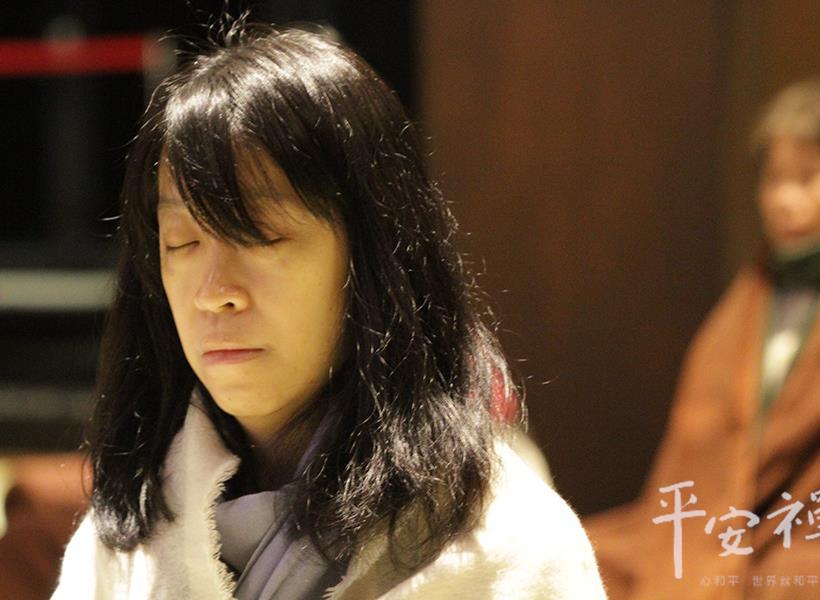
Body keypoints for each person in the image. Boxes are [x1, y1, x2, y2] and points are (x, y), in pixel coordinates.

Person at [51, 20, 606, 600]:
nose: (213, 291)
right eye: (181, 243)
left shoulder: (505, 545)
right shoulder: (132, 530)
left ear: (374, 256)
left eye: (262, 234)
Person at [585, 78, 820, 600]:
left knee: (797, 580)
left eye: (811, 177)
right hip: (720, 519)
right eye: (774, 178)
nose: (784, 199)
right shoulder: (761, 283)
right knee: (576, 554)